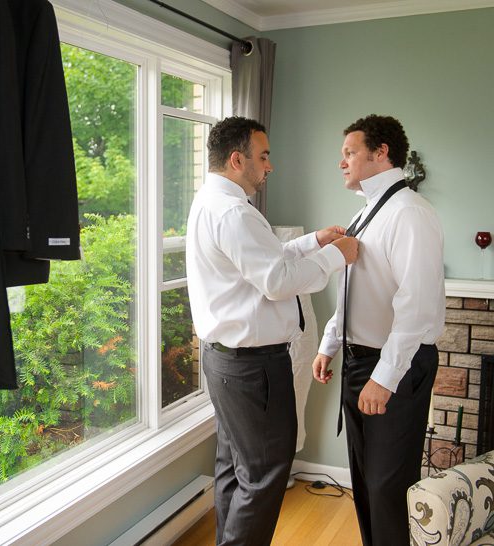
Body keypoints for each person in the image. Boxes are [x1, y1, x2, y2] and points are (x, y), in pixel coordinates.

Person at [186, 116, 359, 545]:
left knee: (235, 466)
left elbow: (266, 261)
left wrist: (314, 241)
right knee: (265, 472)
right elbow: (278, 282)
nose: (270, 166)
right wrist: (338, 256)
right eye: (263, 157)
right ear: (236, 158)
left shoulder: (213, 201)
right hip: (253, 369)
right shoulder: (233, 213)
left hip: (225, 361)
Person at [312, 115, 445, 546]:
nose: (342, 162)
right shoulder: (366, 210)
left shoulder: (410, 214)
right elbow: (353, 286)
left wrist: (383, 380)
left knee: (389, 485)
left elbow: (416, 309)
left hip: (393, 366)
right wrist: (329, 344)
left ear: (381, 151)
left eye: (350, 152)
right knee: (365, 480)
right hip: (358, 360)